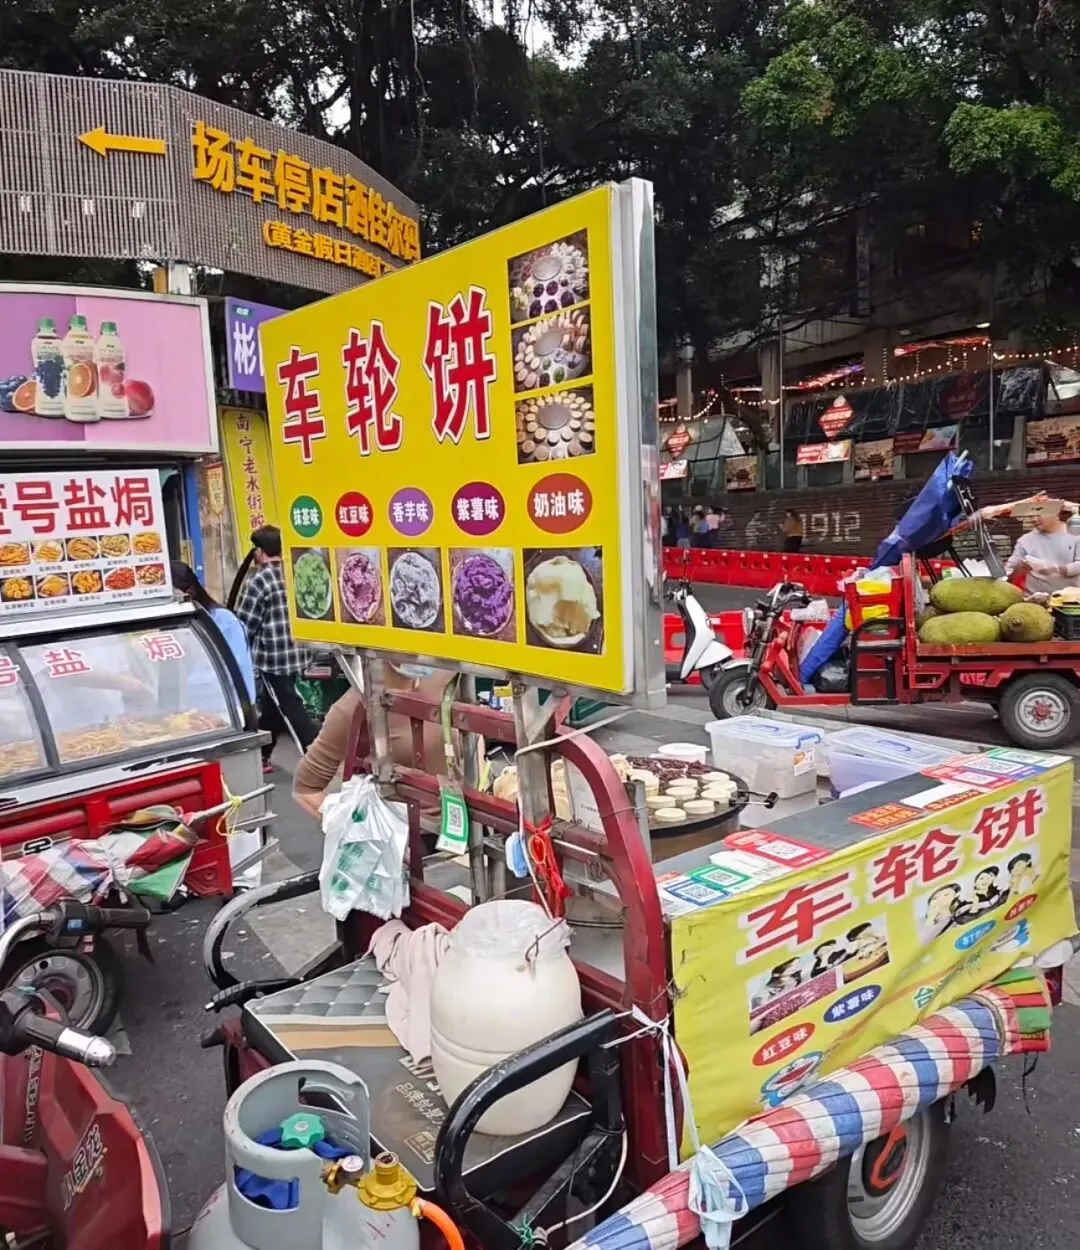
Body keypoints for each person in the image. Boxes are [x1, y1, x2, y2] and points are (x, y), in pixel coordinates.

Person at [292, 665, 453, 820]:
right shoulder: (355, 706)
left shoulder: (446, 678)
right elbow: (305, 790)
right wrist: (347, 828)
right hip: (410, 832)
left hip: (460, 822)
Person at [234, 525, 318, 772]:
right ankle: (262, 753)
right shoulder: (295, 572)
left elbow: (245, 624)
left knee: (289, 706)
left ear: (259, 552)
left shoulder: (259, 581)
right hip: (299, 652)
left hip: (273, 658)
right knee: (274, 707)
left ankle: (317, 754)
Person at [171, 561, 256, 704]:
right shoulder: (182, 624)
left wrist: (190, 685)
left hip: (230, 707)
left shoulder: (225, 621)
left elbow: (236, 667)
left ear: (190, 592)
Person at [1004, 510, 1080, 595]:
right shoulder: (1025, 540)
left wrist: (1056, 569)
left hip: (1070, 598)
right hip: (1033, 598)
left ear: (1055, 513)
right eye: (1032, 516)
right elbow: (1008, 571)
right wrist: (1019, 569)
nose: (1034, 519)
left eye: (1038, 515)